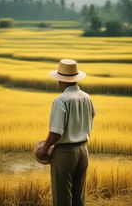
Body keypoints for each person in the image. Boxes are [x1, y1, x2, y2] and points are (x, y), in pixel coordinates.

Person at [35, 59, 96, 206]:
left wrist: (44, 147)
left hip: (65, 153)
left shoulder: (61, 100)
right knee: (78, 197)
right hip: (83, 151)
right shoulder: (86, 97)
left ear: (61, 80)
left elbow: (56, 132)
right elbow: (92, 116)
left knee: (62, 198)